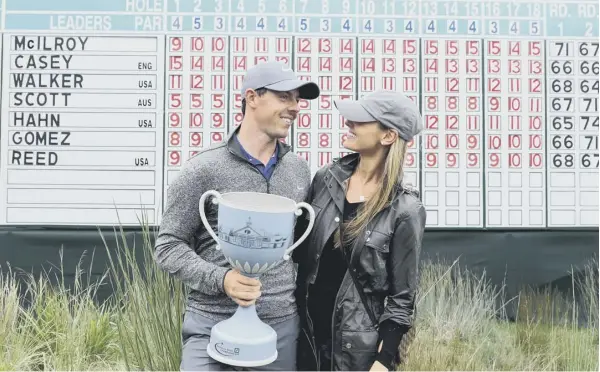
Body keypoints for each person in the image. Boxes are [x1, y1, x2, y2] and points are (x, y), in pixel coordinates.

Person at [154, 60, 320, 371]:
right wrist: (223, 279)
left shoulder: (299, 171)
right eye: (284, 97)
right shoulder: (203, 169)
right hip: (210, 325)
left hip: (279, 329)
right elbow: (168, 246)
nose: (295, 107)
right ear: (252, 98)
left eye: (298, 99)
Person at [293, 90, 427, 371]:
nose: (348, 123)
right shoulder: (325, 179)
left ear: (388, 136)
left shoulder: (406, 209)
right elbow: (299, 252)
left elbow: (402, 300)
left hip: (357, 355)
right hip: (304, 340)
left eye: (361, 120)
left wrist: (383, 361)